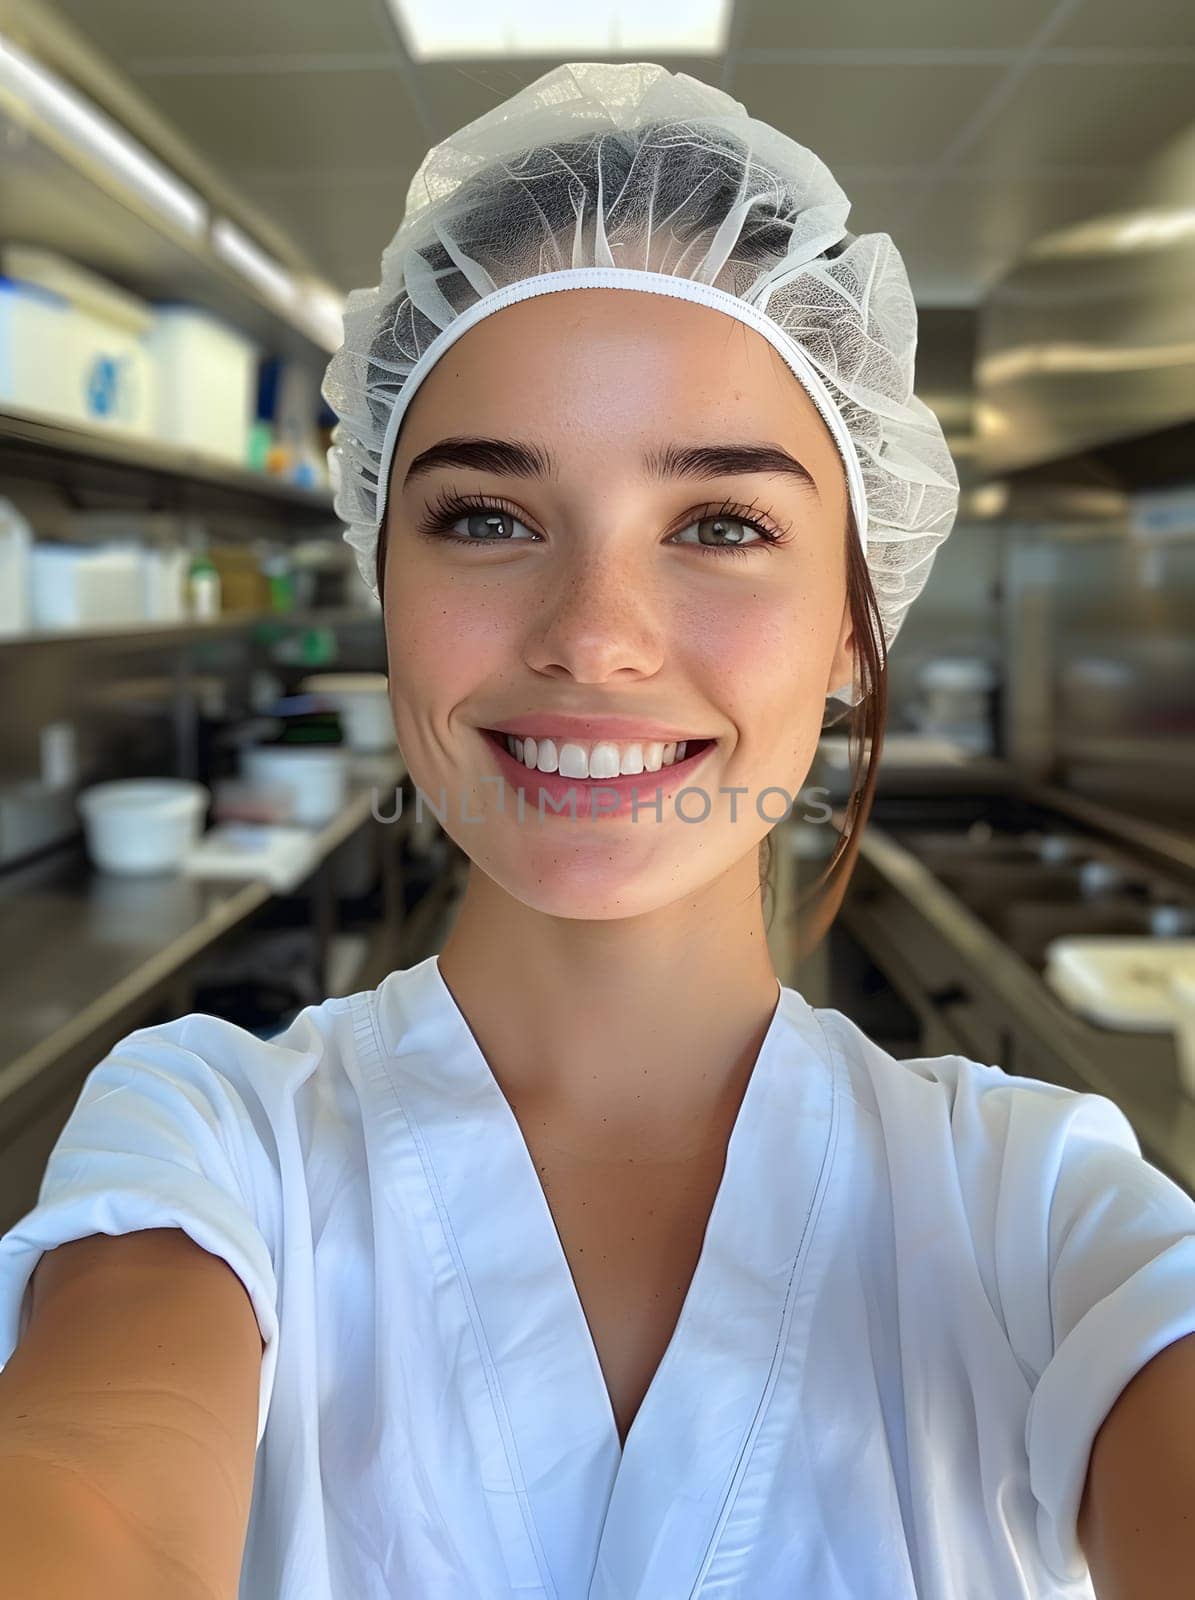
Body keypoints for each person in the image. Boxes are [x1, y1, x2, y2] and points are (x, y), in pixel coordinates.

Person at [0, 59, 1193, 1600]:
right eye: (487, 517)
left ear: (852, 623)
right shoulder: (212, 1147)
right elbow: (86, 1491)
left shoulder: (1039, 1211)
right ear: (388, 584)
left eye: (722, 524)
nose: (595, 636)